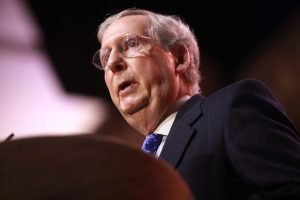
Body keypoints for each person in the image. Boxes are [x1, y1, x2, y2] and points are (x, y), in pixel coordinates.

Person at [92, 8, 300, 200]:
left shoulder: (230, 108)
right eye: (106, 56)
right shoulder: (133, 175)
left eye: (130, 44)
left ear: (180, 58)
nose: (111, 64)